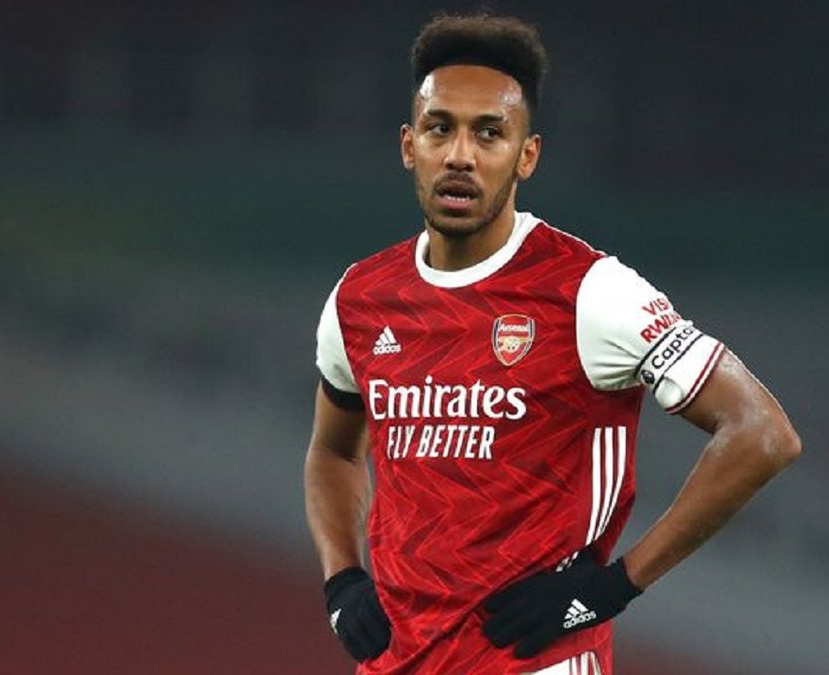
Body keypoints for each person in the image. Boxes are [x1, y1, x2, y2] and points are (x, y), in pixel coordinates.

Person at [304, 12, 801, 675]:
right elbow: (335, 449)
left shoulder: (590, 292)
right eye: (440, 128)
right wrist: (342, 578)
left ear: (527, 155)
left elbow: (761, 432)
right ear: (408, 144)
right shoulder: (361, 298)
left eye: (489, 133)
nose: (460, 155)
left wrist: (613, 585)